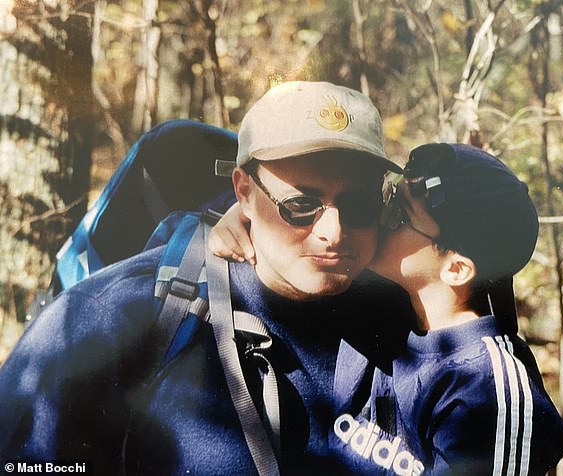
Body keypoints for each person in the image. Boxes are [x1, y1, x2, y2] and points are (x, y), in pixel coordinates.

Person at [0, 81, 413, 475]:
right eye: (300, 205)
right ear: (244, 193)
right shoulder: (104, 318)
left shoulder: (415, 312)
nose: (334, 232)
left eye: (358, 205)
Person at [212, 143, 563, 474]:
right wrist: (249, 216)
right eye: (388, 197)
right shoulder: (387, 309)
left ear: (456, 269)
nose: (378, 218)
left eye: (401, 216)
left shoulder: (487, 391)